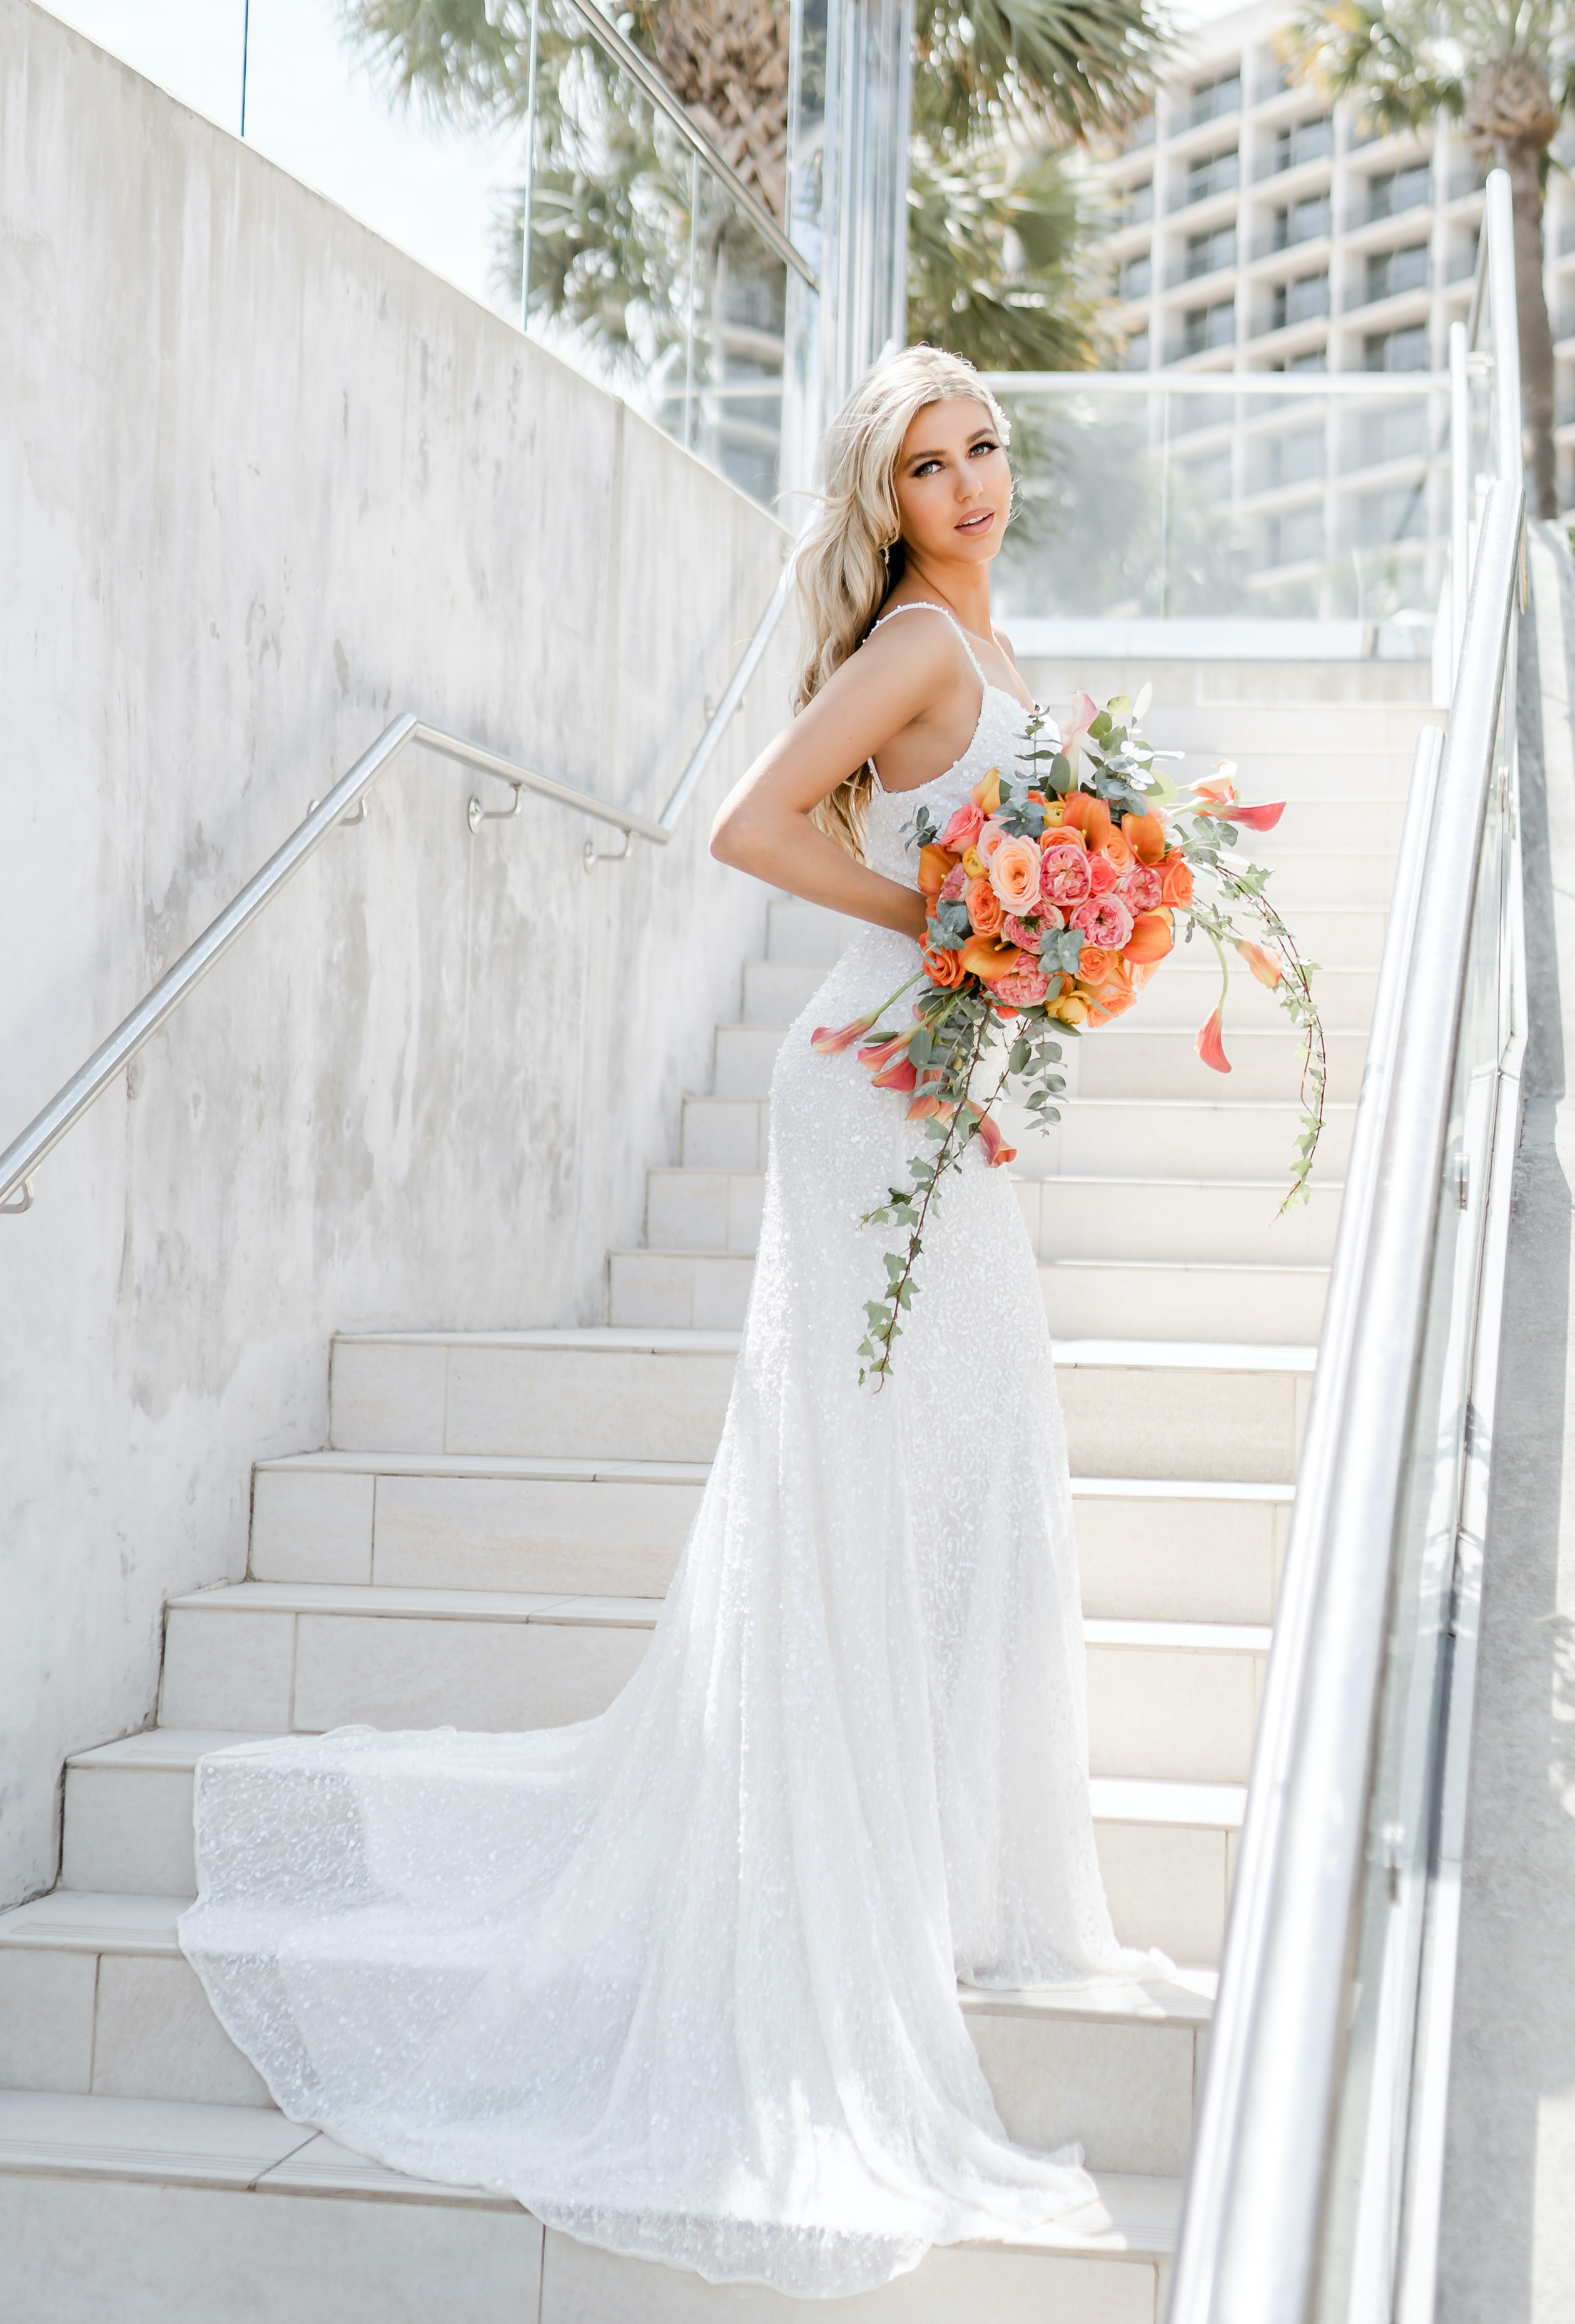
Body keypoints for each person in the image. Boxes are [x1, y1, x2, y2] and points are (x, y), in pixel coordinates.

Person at [179, 345, 1163, 2303]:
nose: (970, 482)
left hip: (944, 1102)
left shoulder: (1002, 645)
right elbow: (747, 824)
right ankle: (834, 1906)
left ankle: (935, 1875)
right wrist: (947, 933)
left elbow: (1010, 884)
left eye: (985, 448)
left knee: (965, 1479)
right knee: (870, 1490)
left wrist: (1029, 967)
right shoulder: (915, 650)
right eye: (929, 463)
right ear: (881, 500)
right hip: (863, 1091)